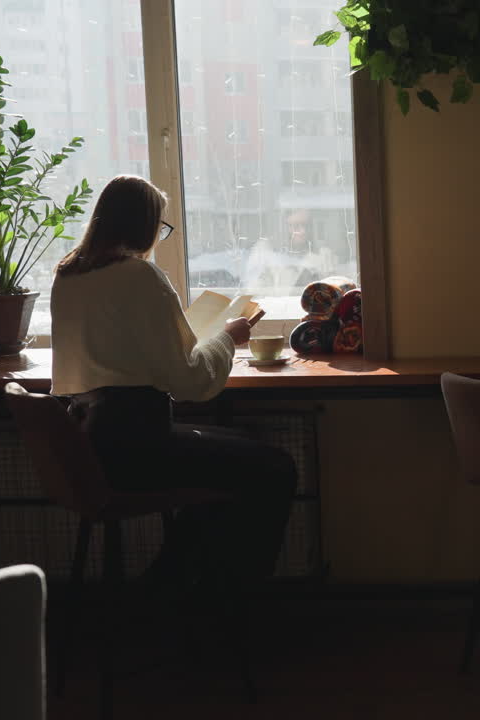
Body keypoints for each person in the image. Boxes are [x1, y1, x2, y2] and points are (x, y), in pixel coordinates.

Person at [49, 174, 296, 598]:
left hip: (89, 447)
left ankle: (172, 581)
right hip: (138, 449)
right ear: (144, 225)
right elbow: (188, 383)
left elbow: (123, 355)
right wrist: (228, 338)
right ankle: (234, 598)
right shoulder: (140, 276)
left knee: (237, 463)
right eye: (160, 226)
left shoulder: (68, 274)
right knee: (274, 467)